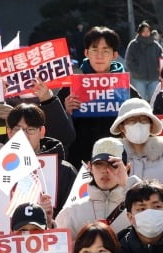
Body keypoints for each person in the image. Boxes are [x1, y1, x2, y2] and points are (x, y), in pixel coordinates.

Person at [56, 26, 139, 165]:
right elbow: (54, 129)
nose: (99, 56)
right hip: (80, 161)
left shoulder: (126, 90)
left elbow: (143, 121)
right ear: (86, 53)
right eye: (94, 50)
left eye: (105, 50)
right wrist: (66, 112)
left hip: (117, 161)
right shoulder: (70, 88)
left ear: (114, 55)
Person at [55, 138, 139, 236]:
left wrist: (129, 183)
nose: (105, 170)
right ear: (90, 167)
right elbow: (59, 247)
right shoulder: (72, 212)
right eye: (99, 164)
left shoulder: (139, 207)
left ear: (127, 168)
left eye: (113, 164)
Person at [110, 99, 163, 184]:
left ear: (151, 125)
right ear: (122, 127)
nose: (138, 124)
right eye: (132, 121)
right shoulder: (113, 161)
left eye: (143, 120)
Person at [124, 22, 163, 100]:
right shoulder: (133, 44)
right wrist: (137, 71)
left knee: (154, 99)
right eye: (143, 31)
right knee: (140, 99)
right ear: (139, 32)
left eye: (147, 31)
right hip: (138, 78)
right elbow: (129, 61)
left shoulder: (155, 45)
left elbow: (161, 58)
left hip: (154, 77)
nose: (146, 33)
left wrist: (159, 68)